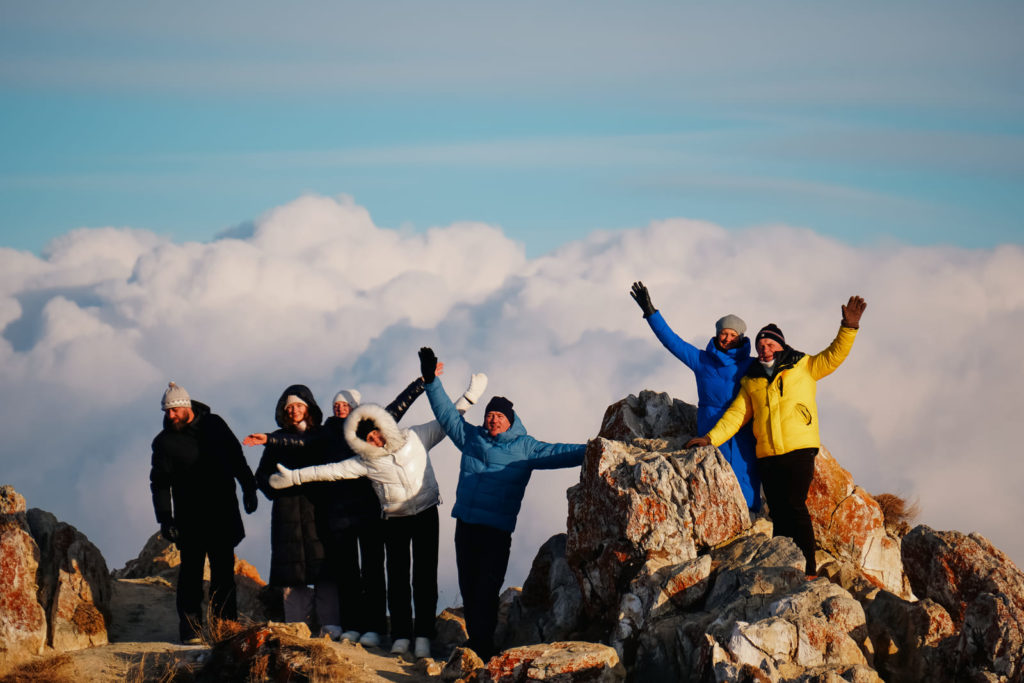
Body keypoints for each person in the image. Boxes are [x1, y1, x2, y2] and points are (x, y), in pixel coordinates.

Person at [268, 373, 487, 660]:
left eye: (376, 431)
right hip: (395, 519)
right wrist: (294, 477)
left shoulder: (416, 437)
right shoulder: (366, 462)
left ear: (385, 426)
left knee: (423, 577)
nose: (375, 438)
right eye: (367, 437)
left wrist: (470, 396)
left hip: (425, 514)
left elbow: (448, 420)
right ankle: (399, 635)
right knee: (397, 578)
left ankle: (422, 635)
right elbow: (329, 471)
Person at [244, 370, 445, 647]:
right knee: (347, 574)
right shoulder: (325, 434)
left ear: (356, 408)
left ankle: (375, 628)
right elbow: (301, 443)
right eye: (336, 404)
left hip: (370, 513)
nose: (340, 408)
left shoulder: (367, 433)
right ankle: (353, 626)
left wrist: (422, 382)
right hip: (337, 516)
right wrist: (270, 439)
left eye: (345, 404)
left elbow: (398, 407)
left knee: (374, 572)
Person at [418, 347, 588, 660]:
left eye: (499, 416)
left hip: (496, 531)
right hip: (466, 525)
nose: (493, 419)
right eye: (489, 415)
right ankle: (479, 643)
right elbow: (445, 414)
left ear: (510, 421)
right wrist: (431, 380)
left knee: (486, 586)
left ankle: (485, 644)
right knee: (469, 587)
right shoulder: (472, 437)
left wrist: (594, 448)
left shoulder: (525, 447)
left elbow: (560, 452)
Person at [686, 296, 867, 576]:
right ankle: (785, 566)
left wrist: (849, 326)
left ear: (781, 346)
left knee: (795, 505)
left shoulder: (803, 365)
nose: (765, 349)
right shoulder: (752, 379)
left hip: (799, 451)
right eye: (760, 346)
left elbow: (834, 355)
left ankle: (808, 568)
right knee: (779, 513)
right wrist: (710, 439)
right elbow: (736, 416)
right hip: (768, 456)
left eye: (770, 344)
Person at [629, 281, 761, 511]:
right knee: (713, 486)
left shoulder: (751, 365)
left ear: (741, 338)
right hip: (709, 431)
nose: (727, 338)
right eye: (723, 333)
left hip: (742, 432)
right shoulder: (702, 361)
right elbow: (672, 342)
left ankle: (751, 519)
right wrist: (651, 313)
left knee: (746, 480)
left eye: (732, 334)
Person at [149, 381, 259, 644]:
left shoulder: (215, 425)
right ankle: (191, 631)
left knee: (223, 575)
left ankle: (226, 629)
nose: (170, 416)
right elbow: (160, 483)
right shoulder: (164, 442)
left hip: (222, 513)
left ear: (185, 406)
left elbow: (236, 456)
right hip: (190, 518)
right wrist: (165, 518)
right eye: (167, 412)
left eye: (174, 410)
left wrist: (249, 488)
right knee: (190, 576)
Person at [253, 385, 331, 631]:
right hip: (287, 513)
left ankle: (331, 628)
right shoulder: (276, 440)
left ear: (308, 407)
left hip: (318, 509)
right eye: (290, 407)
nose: (295, 410)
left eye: (299, 405)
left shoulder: (321, 436)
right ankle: (297, 629)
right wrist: (274, 486)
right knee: (292, 576)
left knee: (326, 573)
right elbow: (262, 475)